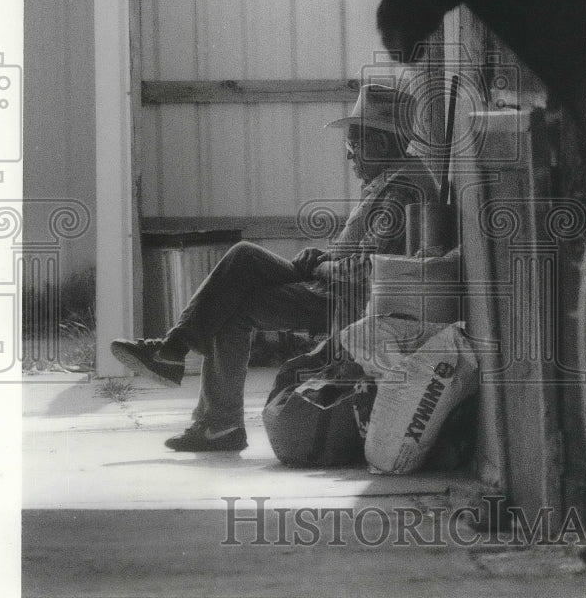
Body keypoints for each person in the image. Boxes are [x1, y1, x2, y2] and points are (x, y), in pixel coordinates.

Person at [110, 84, 438, 452]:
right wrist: (324, 257)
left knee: (239, 277)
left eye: (355, 145)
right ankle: (187, 372)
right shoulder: (393, 179)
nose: (350, 157)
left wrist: (322, 268)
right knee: (239, 277)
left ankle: (187, 371)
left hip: (345, 299)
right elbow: (364, 253)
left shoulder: (401, 191)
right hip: (333, 287)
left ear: (382, 143)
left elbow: (369, 269)